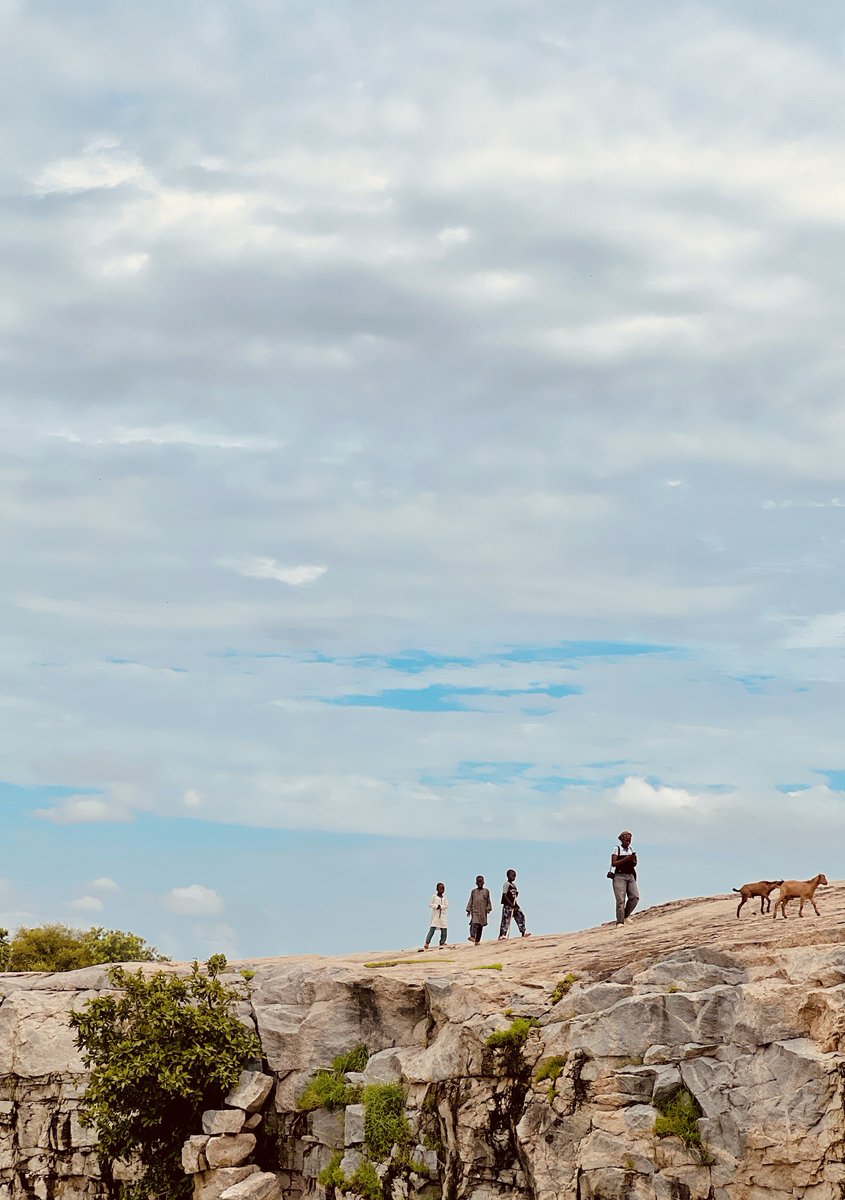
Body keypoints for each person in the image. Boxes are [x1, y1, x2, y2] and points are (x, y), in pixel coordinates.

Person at [610, 830, 639, 926]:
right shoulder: (617, 849)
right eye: (626, 840)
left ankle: (625, 916)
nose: (628, 842)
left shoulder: (631, 849)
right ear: (622, 840)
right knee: (620, 900)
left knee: (635, 897)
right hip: (619, 876)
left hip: (630, 875)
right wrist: (626, 859)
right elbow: (614, 863)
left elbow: (634, 864)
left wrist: (633, 860)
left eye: (629, 840)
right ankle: (620, 922)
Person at [498, 868, 531, 939]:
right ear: (508, 876)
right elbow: (505, 895)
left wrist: (516, 895)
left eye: (515, 876)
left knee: (521, 916)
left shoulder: (514, 885)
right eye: (513, 876)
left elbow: (514, 896)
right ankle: (502, 935)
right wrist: (510, 904)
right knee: (506, 920)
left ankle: (523, 932)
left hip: (514, 904)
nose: (514, 877)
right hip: (508, 905)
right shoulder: (506, 884)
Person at [466, 875, 492, 944]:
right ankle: (472, 936)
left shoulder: (486, 891)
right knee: (474, 923)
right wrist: (468, 910)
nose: (480, 883)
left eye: (481, 882)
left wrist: (488, 908)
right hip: (475, 911)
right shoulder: (473, 891)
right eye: (478, 882)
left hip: (483, 912)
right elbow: (470, 900)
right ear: (476, 883)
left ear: (483, 882)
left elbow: (488, 901)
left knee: (480, 926)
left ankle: (477, 941)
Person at [424, 882, 449, 949]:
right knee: (432, 929)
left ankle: (442, 942)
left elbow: (446, 906)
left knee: (444, 929)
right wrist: (436, 906)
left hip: (442, 916)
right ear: (437, 889)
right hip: (435, 916)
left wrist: (441, 906)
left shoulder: (445, 897)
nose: (442, 890)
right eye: (440, 889)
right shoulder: (434, 897)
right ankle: (427, 943)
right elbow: (430, 904)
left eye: (443, 889)